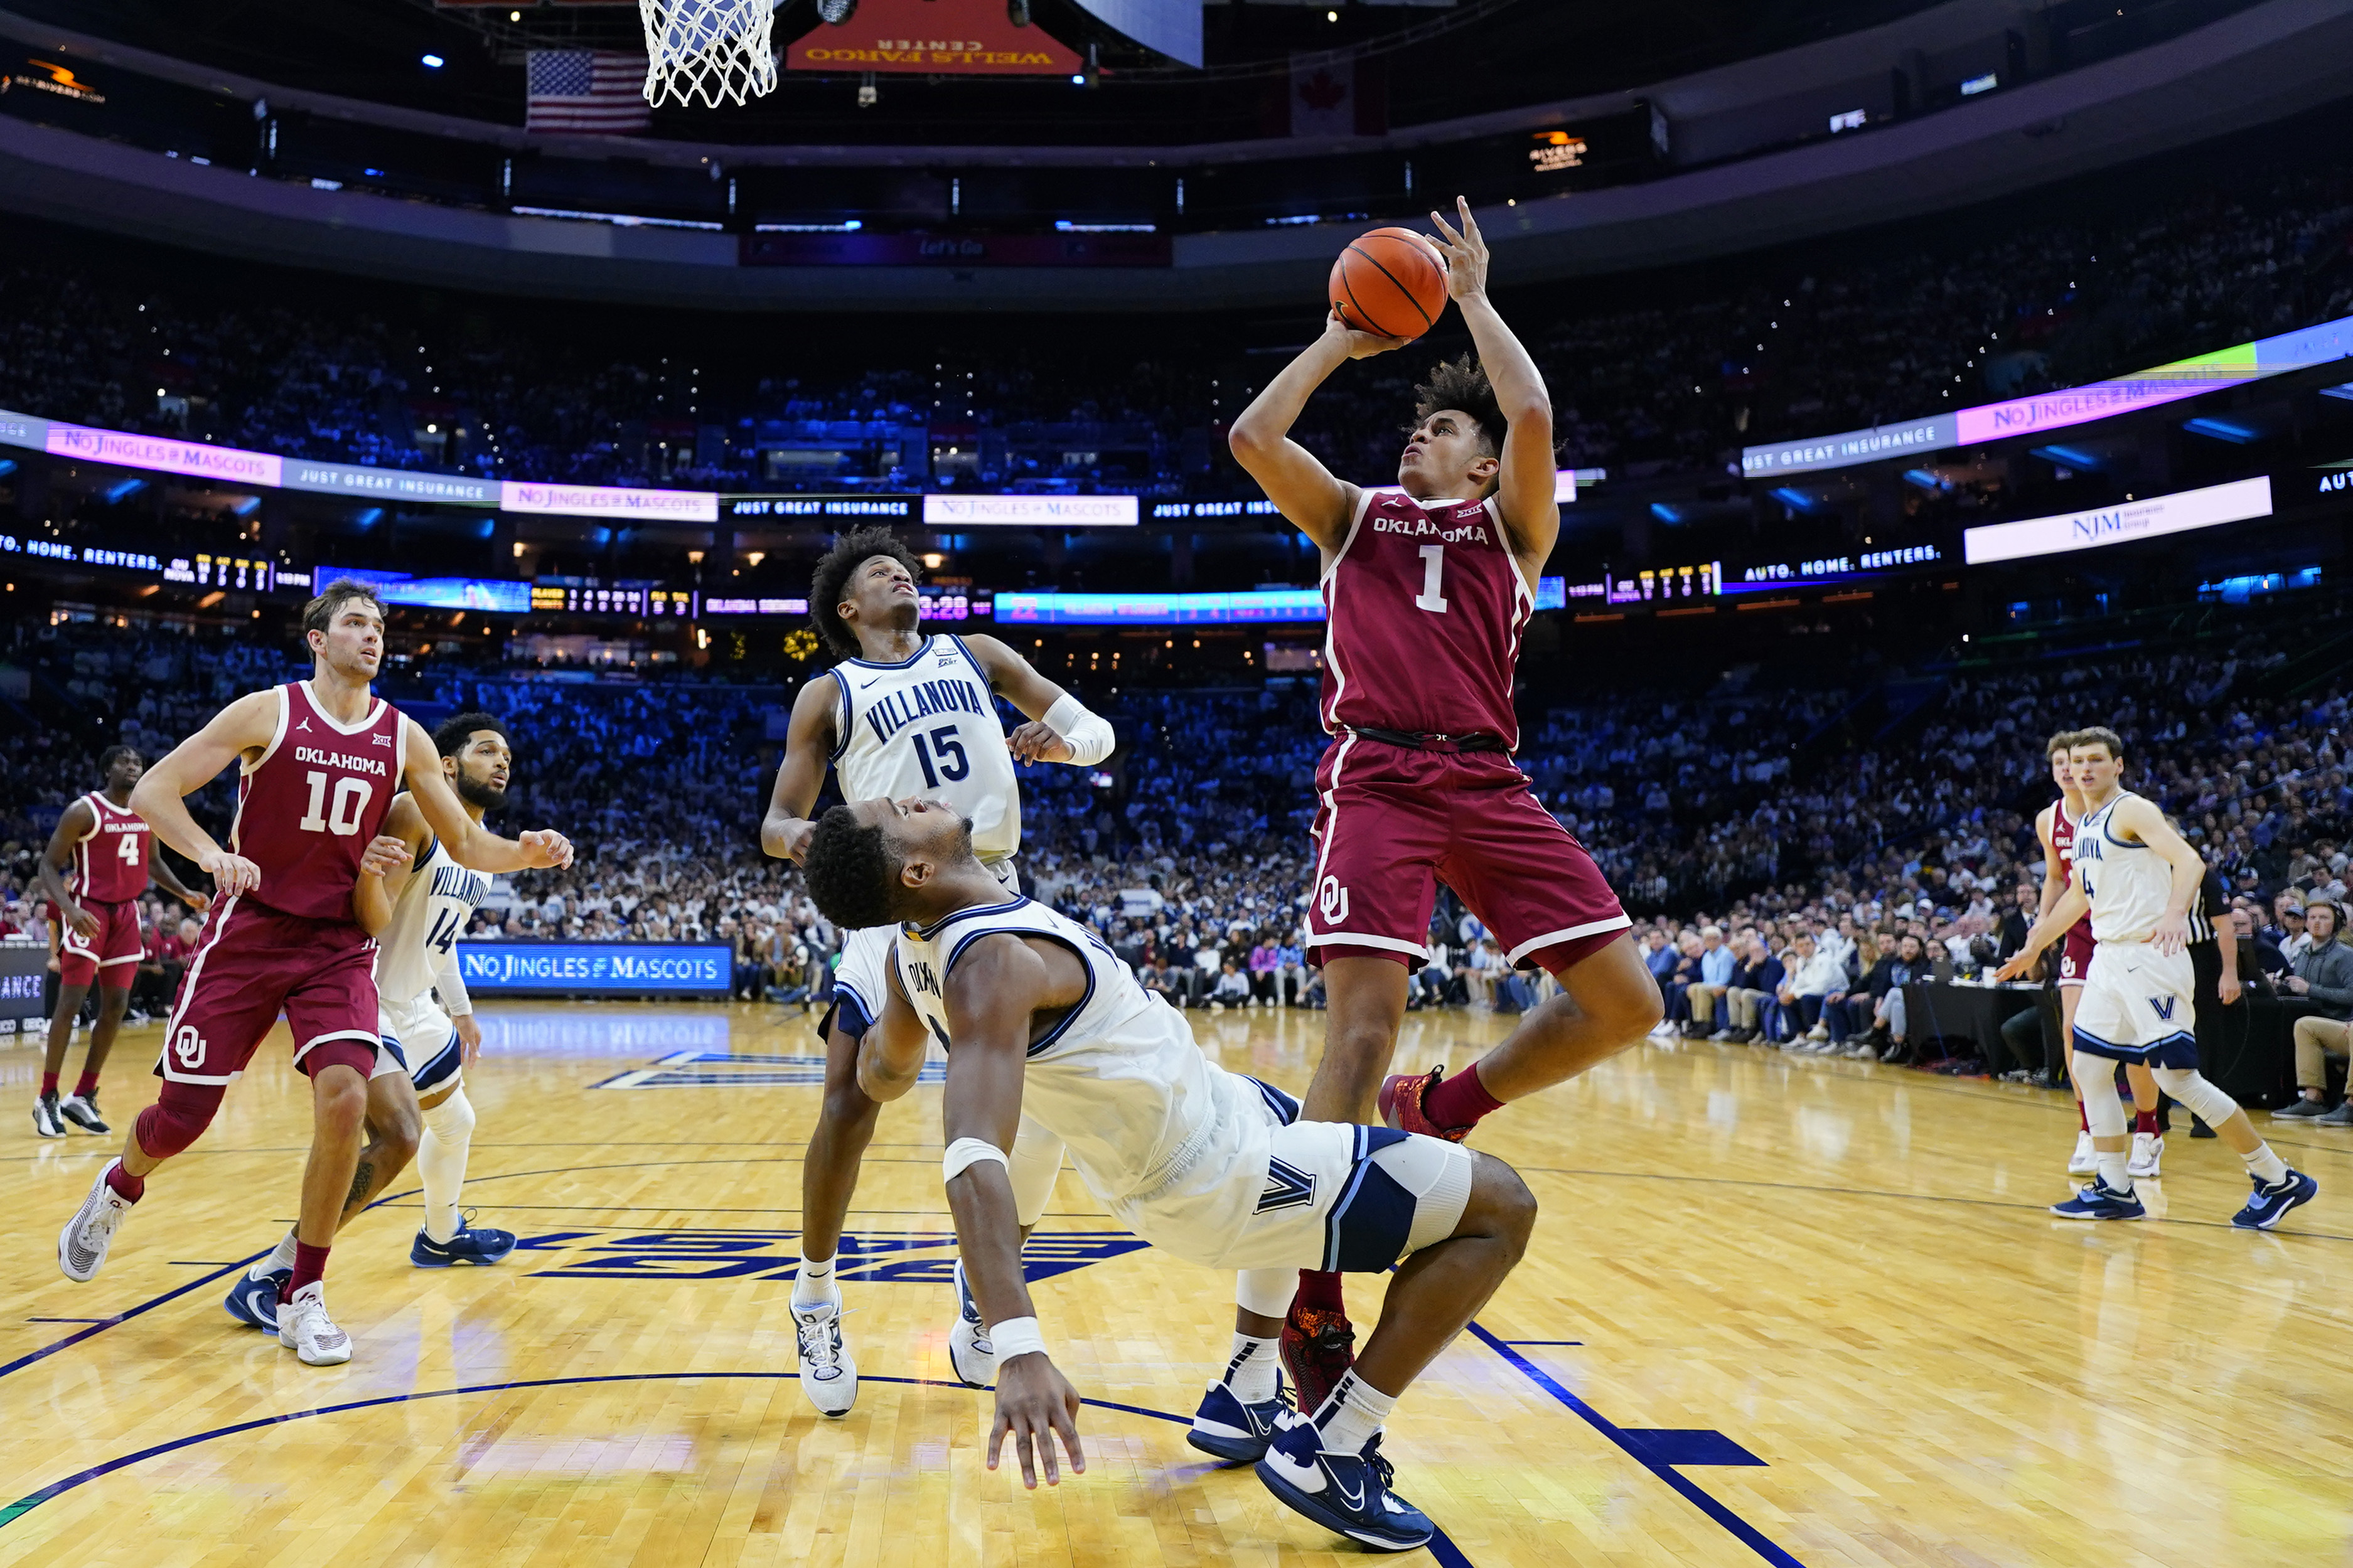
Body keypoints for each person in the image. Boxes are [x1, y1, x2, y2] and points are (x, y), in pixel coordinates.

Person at [805, 795, 1535, 1552]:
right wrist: (1019, 1345)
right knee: (1502, 1209)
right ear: (917, 868)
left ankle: (1247, 1395)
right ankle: (1335, 1447)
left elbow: (884, 1073)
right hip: (1219, 1175)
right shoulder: (988, 965)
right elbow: (971, 1157)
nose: (916, 792)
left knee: (1308, 1123)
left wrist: (885, 1052)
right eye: (897, 811)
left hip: (1210, 1119)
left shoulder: (908, 954)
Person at [1228, 197, 1658, 1414]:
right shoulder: (1352, 516)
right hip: (1373, 774)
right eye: (1415, 423)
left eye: (1440, 427)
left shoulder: (1513, 530)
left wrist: (1468, 295)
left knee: (1627, 1004)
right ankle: (1312, 1285)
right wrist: (1334, 339)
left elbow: (1530, 411)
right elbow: (1255, 436)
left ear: (1477, 465)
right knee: (1355, 1035)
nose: (1418, 433)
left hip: (1484, 777)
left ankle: (1445, 1105)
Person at [51, 580, 573, 1367]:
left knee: (345, 1098)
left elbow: (466, 843)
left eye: (379, 626)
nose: (372, 637)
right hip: (250, 936)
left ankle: (303, 1294)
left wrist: (526, 853)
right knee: (182, 1119)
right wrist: (209, 853)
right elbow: (158, 790)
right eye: (356, 624)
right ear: (317, 640)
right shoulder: (268, 711)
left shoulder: (405, 737)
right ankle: (119, 1188)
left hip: (336, 946)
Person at [758, 526, 1115, 1416]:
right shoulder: (828, 693)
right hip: (889, 897)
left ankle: (981, 1290)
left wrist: (1066, 746)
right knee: (852, 1097)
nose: (902, 574)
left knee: (1042, 1109)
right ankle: (814, 1292)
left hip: (990, 888)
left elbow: (1096, 732)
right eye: (882, 571)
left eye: (909, 568)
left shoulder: (978, 650)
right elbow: (774, 819)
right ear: (848, 608)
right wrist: (805, 840)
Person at [220, 710, 521, 1333]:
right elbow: (369, 911)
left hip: (416, 1007)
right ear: (446, 764)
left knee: (456, 1119)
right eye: (487, 750)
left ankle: (441, 1236)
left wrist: (460, 1011)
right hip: (365, 994)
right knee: (400, 1136)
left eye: (507, 758)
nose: (501, 763)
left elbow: (443, 943)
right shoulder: (416, 813)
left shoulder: (482, 850)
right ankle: (278, 1272)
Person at [1997, 728, 2315, 1229]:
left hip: (2149, 959)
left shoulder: (2131, 809)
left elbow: (2189, 859)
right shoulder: (2083, 825)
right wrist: (2032, 946)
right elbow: (2079, 896)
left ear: (2116, 765)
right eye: (2077, 761)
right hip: (2107, 958)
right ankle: (2114, 1187)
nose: (2083, 770)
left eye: (2095, 761)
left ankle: (2276, 1177)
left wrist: (2172, 913)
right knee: (2089, 1068)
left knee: (2177, 1079)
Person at [31, 746, 212, 1139]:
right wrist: (68, 910)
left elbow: (153, 864)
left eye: (138, 764)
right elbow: (48, 865)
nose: (133, 767)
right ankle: (47, 1096)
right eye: (124, 762)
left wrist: (184, 893)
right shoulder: (84, 811)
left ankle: (83, 1094)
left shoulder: (146, 812)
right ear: (106, 769)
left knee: (116, 1006)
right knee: (72, 1004)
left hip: (126, 915)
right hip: (88, 910)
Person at [2037, 730, 2163, 1177]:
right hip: (2081, 934)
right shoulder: (2048, 819)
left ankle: (2147, 1129)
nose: (2071, 771)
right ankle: (2089, 1128)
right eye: (2063, 765)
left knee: (2133, 1042)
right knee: (2073, 1032)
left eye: (2081, 762)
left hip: (2126, 932)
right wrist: (2040, 923)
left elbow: (2175, 861)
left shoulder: (2124, 811)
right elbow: (2058, 878)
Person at [2275, 899, 2353, 1123]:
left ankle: (2351, 1104)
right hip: (2320, 1022)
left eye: (2324, 918)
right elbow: (2302, 991)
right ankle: (2313, 1099)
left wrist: (2312, 989)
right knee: (2304, 1024)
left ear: (2336, 924)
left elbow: (2350, 995)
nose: (2317, 923)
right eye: (2313, 917)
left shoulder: (2345, 955)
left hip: (2343, 1022)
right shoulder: (2303, 954)